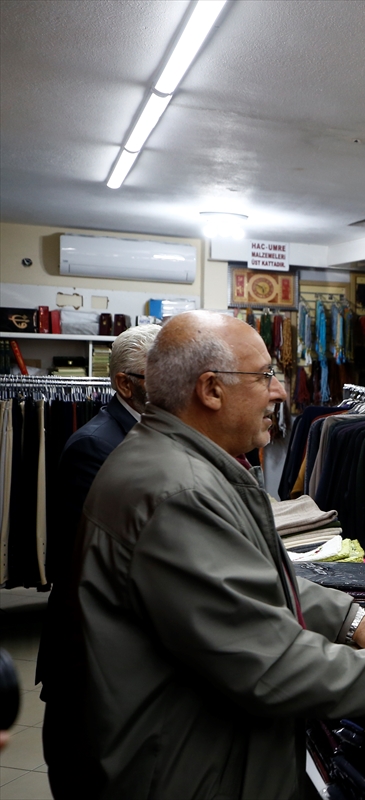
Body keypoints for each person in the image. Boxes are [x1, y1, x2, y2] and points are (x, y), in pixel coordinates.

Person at [75, 311, 365, 799]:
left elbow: (254, 576)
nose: (279, 392)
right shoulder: (178, 491)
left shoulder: (184, 464)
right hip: (189, 768)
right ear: (211, 390)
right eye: (264, 375)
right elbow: (262, 656)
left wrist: (354, 623)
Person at [37, 323, 159, 799]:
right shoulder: (96, 444)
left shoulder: (146, 431)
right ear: (125, 383)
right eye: (157, 376)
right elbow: (95, 560)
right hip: (87, 654)